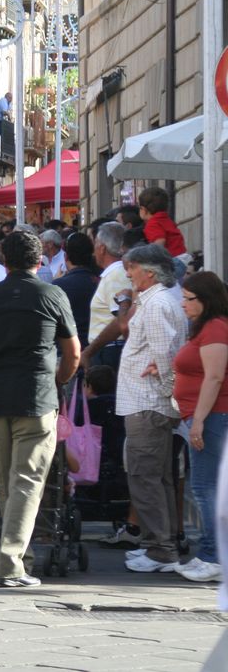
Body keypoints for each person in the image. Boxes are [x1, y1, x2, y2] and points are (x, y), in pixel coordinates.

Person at [0, 230, 80, 587]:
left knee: (7, 478)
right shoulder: (52, 294)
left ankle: (20, 555)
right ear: (39, 261)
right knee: (28, 479)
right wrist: (59, 379)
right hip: (36, 395)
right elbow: (73, 352)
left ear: (3, 260)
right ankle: (11, 563)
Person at [116, 245, 188, 572]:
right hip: (148, 402)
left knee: (146, 477)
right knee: (157, 477)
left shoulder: (158, 303)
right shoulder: (157, 299)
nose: (128, 273)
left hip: (148, 403)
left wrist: (167, 393)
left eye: (132, 268)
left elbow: (165, 354)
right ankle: (160, 544)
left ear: (150, 271)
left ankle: (161, 550)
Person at [171, 272, 228, 582]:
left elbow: (215, 377)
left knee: (206, 488)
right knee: (206, 487)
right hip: (203, 414)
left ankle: (214, 557)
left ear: (206, 300)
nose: (183, 304)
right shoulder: (206, 327)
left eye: (188, 298)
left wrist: (200, 422)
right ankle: (209, 553)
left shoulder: (216, 327)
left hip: (212, 415)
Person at [80, 222, 131, 372]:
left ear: (102, 248)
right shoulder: (114, 273)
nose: (93, 251)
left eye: (95, 244)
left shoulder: (117, 274)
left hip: (110, 351)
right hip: (107, 350)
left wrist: (89, 351)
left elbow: (120, 321)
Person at [53, 233, 99, 351]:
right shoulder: (99, 281)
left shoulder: (59, 285)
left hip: (67, 349)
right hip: (95, 347)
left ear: (66, 257)